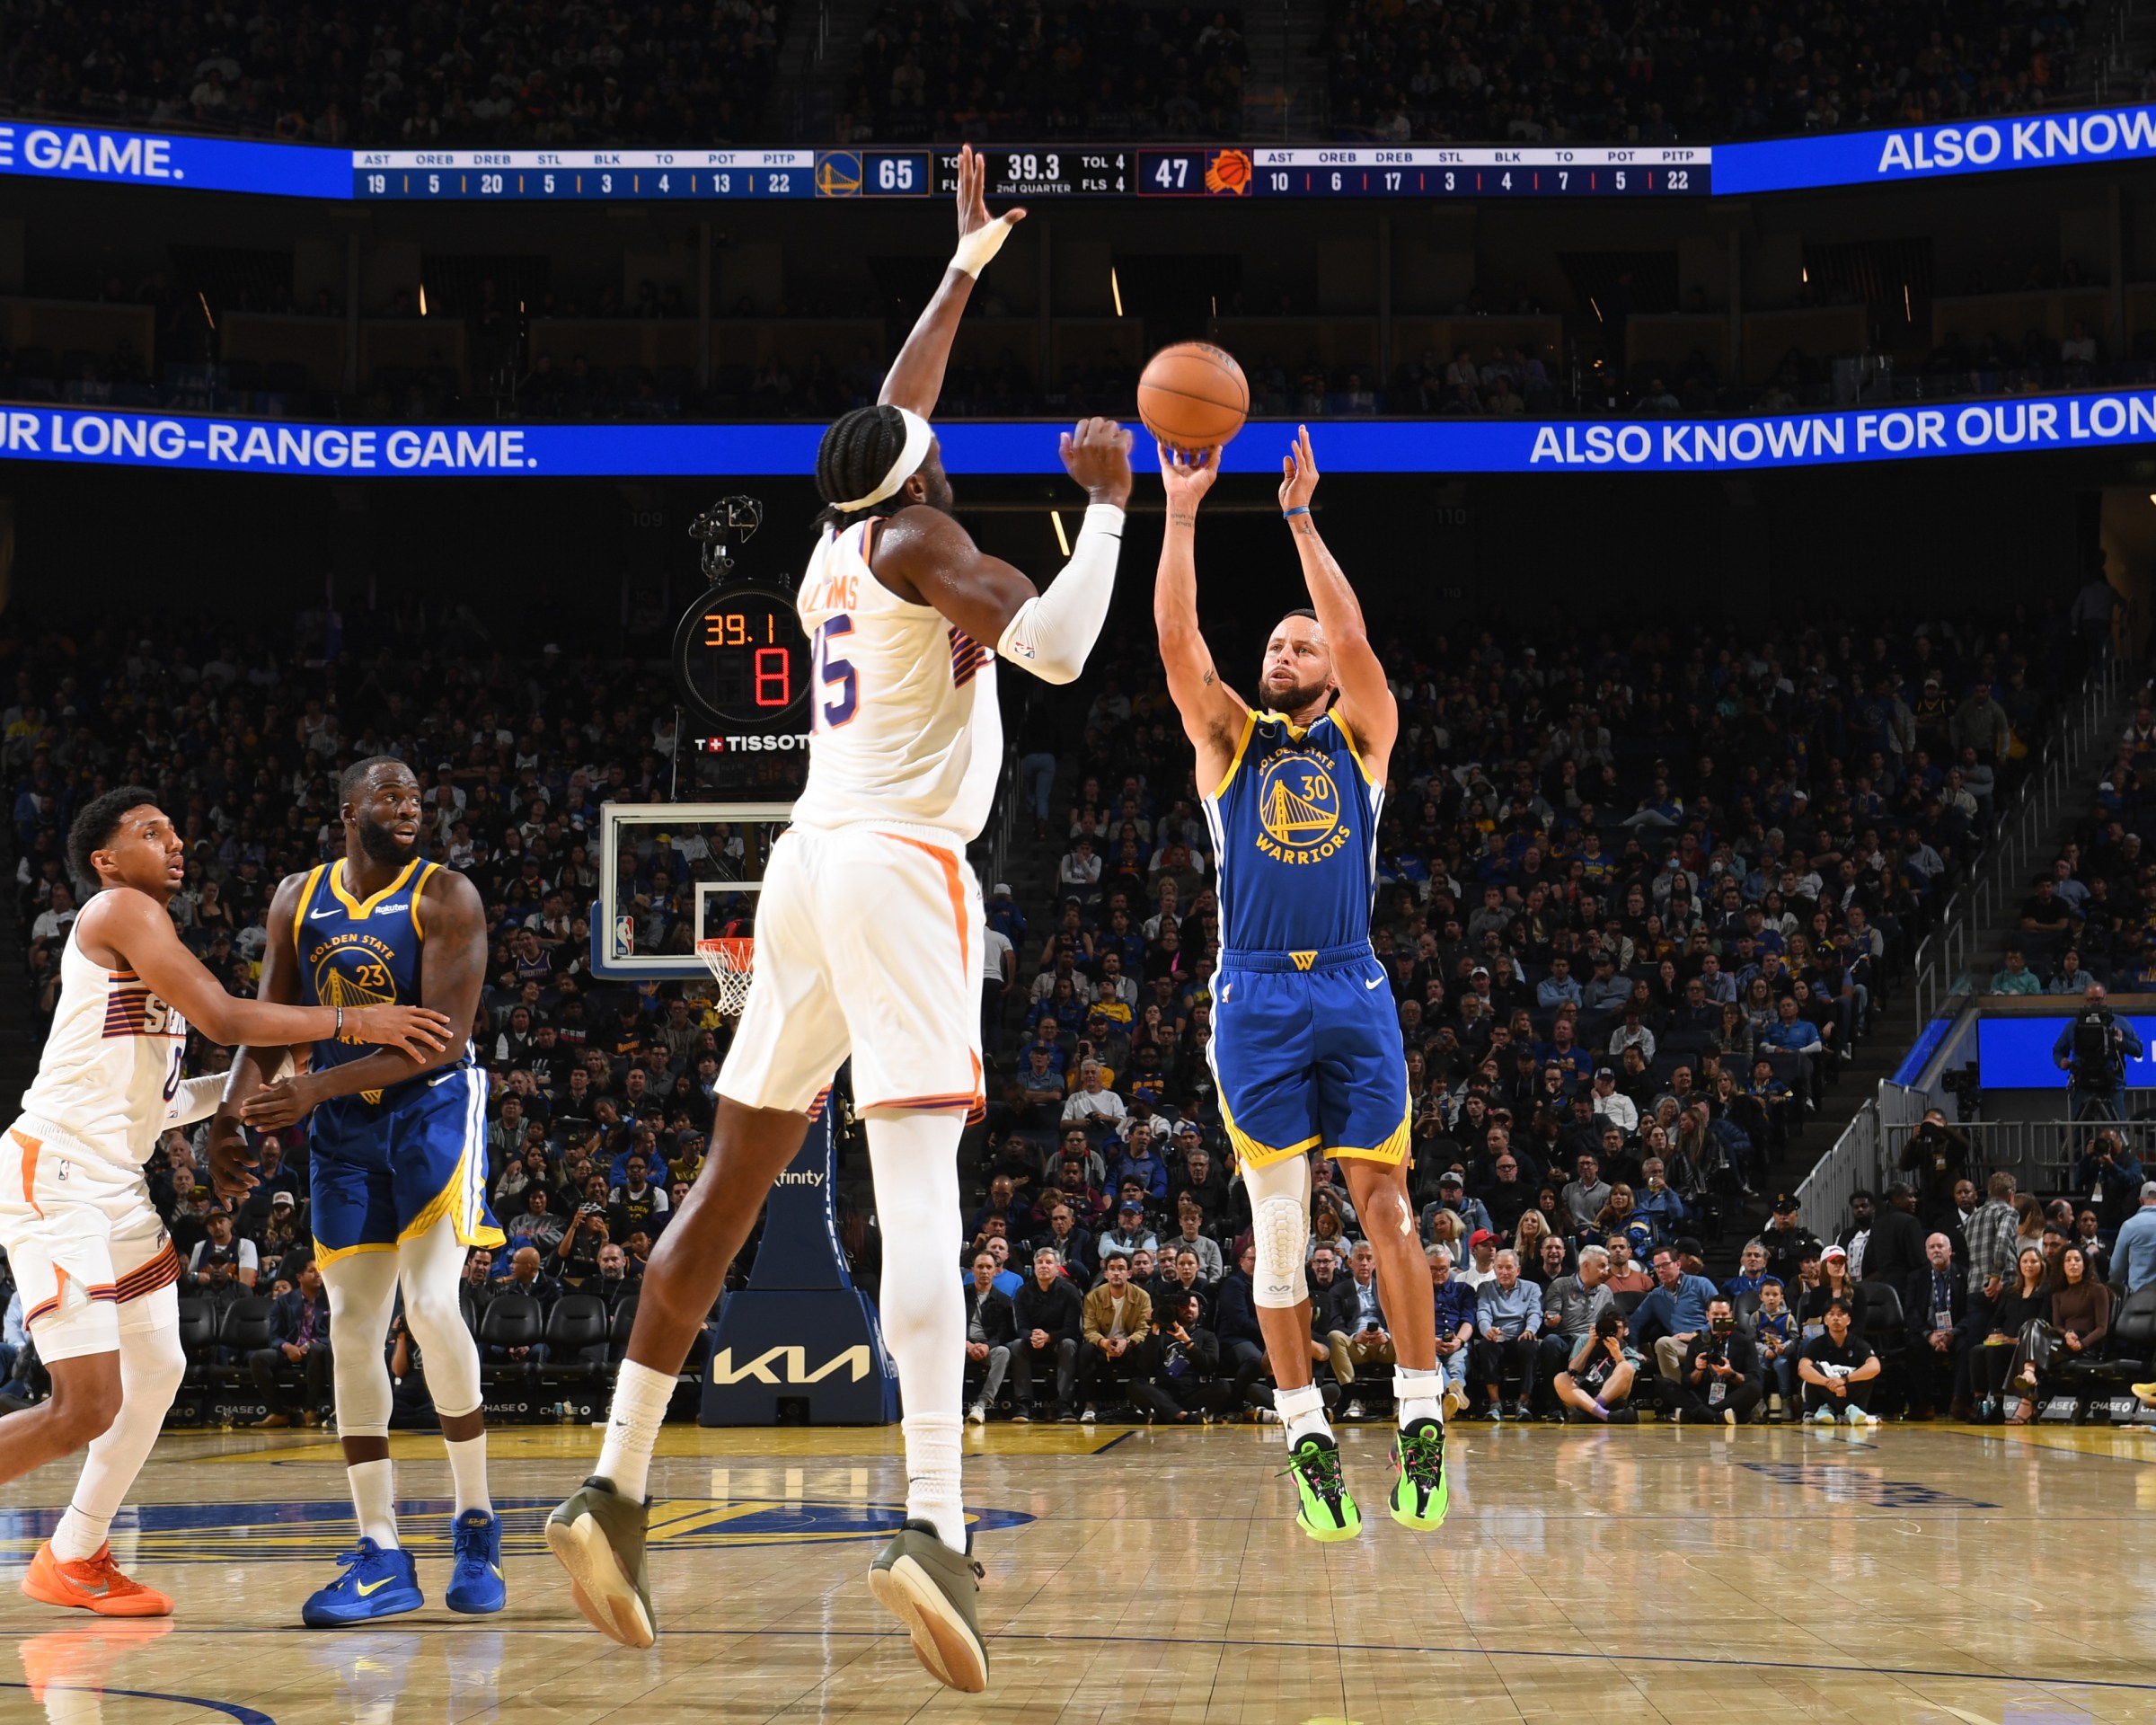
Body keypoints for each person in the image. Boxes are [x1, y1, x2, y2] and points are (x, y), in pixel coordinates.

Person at [543, 148, 1131, 1694]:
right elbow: (1062, 652)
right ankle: (932, 1523)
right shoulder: (932, 547)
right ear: (923, 482)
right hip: (894, 868)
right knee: (922, 1182)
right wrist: (1107, 515)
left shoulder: (831, 544)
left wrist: (964, 268)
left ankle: (612, 1481)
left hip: (801, 868)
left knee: (734, 1181)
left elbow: (897, 400)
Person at [0, 787, 447, 1620]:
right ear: (105, 860)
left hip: (117, 1184)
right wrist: (359, 1019)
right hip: (55, 1174)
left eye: (176, 828)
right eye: (150, 832)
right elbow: (225, 1013)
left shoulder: (146, 941)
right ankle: (71, 1550)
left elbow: (170, 1097)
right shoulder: (118, 910)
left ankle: (75, 1554)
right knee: (85, 1403)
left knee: (159, 1369)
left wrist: (256, 1090)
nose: (175, 842)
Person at [1154, 424, 1444, 1542]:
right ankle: (1306, 1431)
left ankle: (1419, 1412)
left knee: (1387, 1207)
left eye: (1298, 644)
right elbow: (1180, 644)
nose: (1283, 650)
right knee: (1279, 1235)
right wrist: (1182, 510)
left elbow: (1360, 637)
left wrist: (1299, 519)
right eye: (1274, 641)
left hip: (1355, 990)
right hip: (1258, 995)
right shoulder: (1231, 742)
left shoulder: (1365, 738)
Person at [209, 756, 508, 1627]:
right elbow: (267, 1019)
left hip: (431, 1113)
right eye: (391, 795)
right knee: (349, 1326)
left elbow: (445, 1040)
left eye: (416, 796)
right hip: (341, 1127)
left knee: (432, 1306)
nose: (409, 807)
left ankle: (476, 1519)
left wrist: (311, 1090)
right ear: (349, 810)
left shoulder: (445, 897)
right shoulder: (298, 898)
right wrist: (230, 1116)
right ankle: (381, 1548)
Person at [2010, 1245, 2109, 1424]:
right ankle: (2029, 1375)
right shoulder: (2058, 1293)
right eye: (2068, 1260)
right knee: (2032, 1324)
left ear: (2085, 1265)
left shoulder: (2097, 1289)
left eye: (2077, 1260)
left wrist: (2082, 1343)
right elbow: (2057, 1325)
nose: (2073, 1264)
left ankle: (2026, 1397)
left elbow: (2102, 1328)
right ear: (2062, 1266)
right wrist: (2066, 1335)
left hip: (2087, 1345)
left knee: (2025, 1345)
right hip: (2064, 1342)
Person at [247, 1261, 332, 1429]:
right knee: (258, 1358)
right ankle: (278, 1412)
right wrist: (288, 1347)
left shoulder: (329, 1300)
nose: (318, 1274)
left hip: (317, 1350)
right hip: (290, 1349)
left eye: (320, 1271)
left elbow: (333, 1334)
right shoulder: (283, 1302)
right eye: (312, 1271)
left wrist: (309, 1344)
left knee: (316, 1350)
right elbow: (274, 1336)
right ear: (299, 1277)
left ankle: (310, 1410)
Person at [1974, 1246, 2051, 1422]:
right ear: (2019, 1265)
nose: (2029, 1265)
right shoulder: (2010, 1290)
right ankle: (1979, 1405)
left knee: (1995, 1352)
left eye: (2033, 1261)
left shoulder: (2046, 1291)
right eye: (2024, 1261)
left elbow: (2042, 1323)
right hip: (2005, 1341)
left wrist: (2013, 1339)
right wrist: (1994, 1334)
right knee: (1977, 1351)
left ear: (2041, 1265)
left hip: (2026, 1344)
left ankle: (1999, 1407)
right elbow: (1996, 1319)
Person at [2053, 981, 2142, 1120]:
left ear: (2105, 999)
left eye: (2098, 999)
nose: (2095, 1003)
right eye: (2091, 1000)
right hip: (2083, 1085)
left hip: (2112, 1085)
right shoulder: (2073, 1025)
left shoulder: (2119, 1022)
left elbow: (2138, 1050)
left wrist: (2121, 1042)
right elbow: (2058, 1050)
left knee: (2118, 1134)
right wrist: (2061, 1062)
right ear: (2085, 1001)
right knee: (2079, 1135)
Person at [1902, 1233, 1966, 1420]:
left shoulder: (1965, 1275)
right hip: (1927, 1332)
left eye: (1940, 1246)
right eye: (1932, 1247)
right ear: (1926, 1253)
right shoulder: (1916, 1277)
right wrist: (1929, 1335)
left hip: (1956, 1331)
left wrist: (1952, 1333)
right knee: (1913, 1345)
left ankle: (1961, 1402)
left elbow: (1970, 1312)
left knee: (1968, 1345)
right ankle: (1925, 1404)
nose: (1936, 1250)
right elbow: (1911, 1312)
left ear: (1950, 1251)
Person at [1673, 1296, 1763, 1425]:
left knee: (1755, 1388)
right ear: (1707, 1315)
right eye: (1715, 1314)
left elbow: (1754, 1378)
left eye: (1724, 1314)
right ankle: (1717, 1416)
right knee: (1664, 1384)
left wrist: (1731, 1374)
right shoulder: (1697, 1341)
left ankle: (1701, 1414)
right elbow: (1686, 1382)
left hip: (1730, 1396)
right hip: (1704, 1394)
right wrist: (1698, 1370)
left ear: (1731, 1315)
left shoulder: (1745, 1341)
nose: (1720, 1318)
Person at [1798, 1299, 1882, 1424]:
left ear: (1848, 1320)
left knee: (1867, 1373)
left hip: (1849, 1391)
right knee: (1814, 1369)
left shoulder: (1858, 1343)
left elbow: (1875, 1366)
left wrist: (1844, 1380)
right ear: (1825, 1320)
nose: (1836, 1318)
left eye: (1841, 1314)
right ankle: (1848, 1409)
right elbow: (1802, 1369)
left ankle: (1832, 1410)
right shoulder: (1816, 1344)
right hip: (1823, 1396)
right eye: (1831, 1314)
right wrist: (1828, 1383)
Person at [1552, 1306, 1639, 1422]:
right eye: (1606, 1327)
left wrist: (1618, 1355)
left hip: (1611, 1398)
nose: (1611, 1332)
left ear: (1626, 1330)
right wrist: (1590, 1344)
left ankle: (1592, 1412)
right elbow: (1572, 1369)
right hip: (1583, 1395)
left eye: (1616, 1327)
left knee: (1626, 1366)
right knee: (1560, 1378)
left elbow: (1627, 1379)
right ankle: (1604, 1415)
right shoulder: (1585, 1340)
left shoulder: (1630, 1353)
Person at [961, 1252, 1017, 1424]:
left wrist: (987, 1346)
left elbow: (1005, 1332)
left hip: (988, 1348)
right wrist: (966, 1344)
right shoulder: (959, 1295)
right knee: (946, 1351)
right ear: (972, 1270)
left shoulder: (1004, 1300)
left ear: (995, 1271)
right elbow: (950, 1323)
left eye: (988, 1267)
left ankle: (981, 1405)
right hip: (962, 1346)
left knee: (1003, 1352)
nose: (984, 1271)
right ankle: (951, 1405)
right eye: (980, 1267)